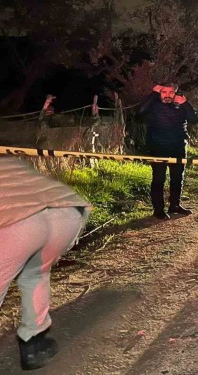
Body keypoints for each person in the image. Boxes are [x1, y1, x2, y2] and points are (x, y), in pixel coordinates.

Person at [0, 157, 92, 370]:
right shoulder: (8, 160)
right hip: (67, 213)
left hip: (20, 222)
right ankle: (34, 345)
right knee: (35, 275)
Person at [139, 83, 198, 219]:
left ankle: (175, 205)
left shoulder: (181, 104)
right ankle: (158, 210)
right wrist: (153, 94)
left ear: (175, 93)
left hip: (178, 146)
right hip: (158, 146)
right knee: (159, 178)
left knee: (177, 177)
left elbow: (194, 120)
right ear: (159, 93)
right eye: (164, 92)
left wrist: (186, 104)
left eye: (171, 92)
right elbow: (140, 112)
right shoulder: (153, 103)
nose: (167, 95)